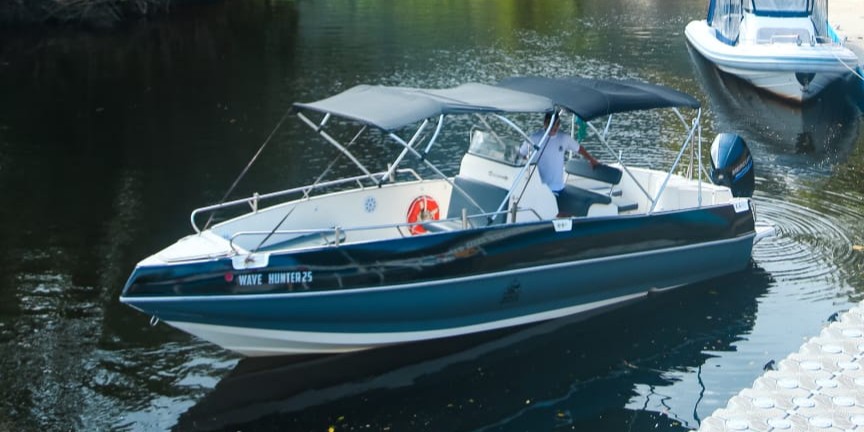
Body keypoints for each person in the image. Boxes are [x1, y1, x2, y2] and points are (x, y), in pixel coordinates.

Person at [519, 112, 600, 195]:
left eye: (557, 124)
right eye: (551, 123)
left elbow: (579, 149)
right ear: (545, 123)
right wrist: (528, 165)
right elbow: (521, 154)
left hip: (558, 188)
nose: (554, 127)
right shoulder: (534, 138)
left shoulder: (564, 138)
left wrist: (591, 159)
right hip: (538, 187)